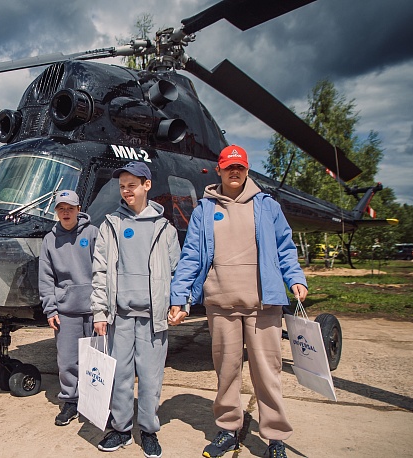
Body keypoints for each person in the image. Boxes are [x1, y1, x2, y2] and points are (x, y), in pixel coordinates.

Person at [169, 145, 308, 458]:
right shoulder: (205, 209)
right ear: (219, 170)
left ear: (247, 170)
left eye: (240, 168)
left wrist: (295, 278)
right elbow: (191, 256)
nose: (234, 172)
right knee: (227, 371)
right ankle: (229, 429)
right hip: (221, 306)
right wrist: (179, 296)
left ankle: (274, 438)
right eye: (229, 167)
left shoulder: (267, 206)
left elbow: (285, 248)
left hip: (264, 305)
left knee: (267, 373)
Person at [90, 162, 181, 458]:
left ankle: (149, 430)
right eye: (122, 186)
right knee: (120, 376)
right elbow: (100, 272)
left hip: (154, 319)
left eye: (132, 185)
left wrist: (181, 304)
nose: (126, 191)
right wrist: (100, 312)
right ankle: (120, 429)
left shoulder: (164, 228)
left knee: (152, 378)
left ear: (147, 186)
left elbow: (178, 271)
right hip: (120, 317)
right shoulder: (110, 225)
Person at [38, 190, 99, 426]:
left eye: (70, 208)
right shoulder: (49, 240)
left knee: (96, 359)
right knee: (68, 361)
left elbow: (103, 272)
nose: (66, 212)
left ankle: (96, 400)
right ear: (56, 211)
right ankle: (71, 401)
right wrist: (50, 309)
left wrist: (103, 306)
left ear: (78, 209)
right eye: (61, 208)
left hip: (94, 310)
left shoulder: (92, 233)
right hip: (66, 311)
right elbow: (46, 278)